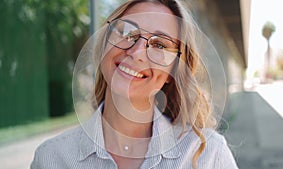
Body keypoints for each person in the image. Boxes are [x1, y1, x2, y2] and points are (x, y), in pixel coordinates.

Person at [31, 0, 238, 168]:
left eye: (159, 45)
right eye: (128, 32)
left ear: (172, 72)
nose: (137, 52)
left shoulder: (209, 156)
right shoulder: (51, 158)